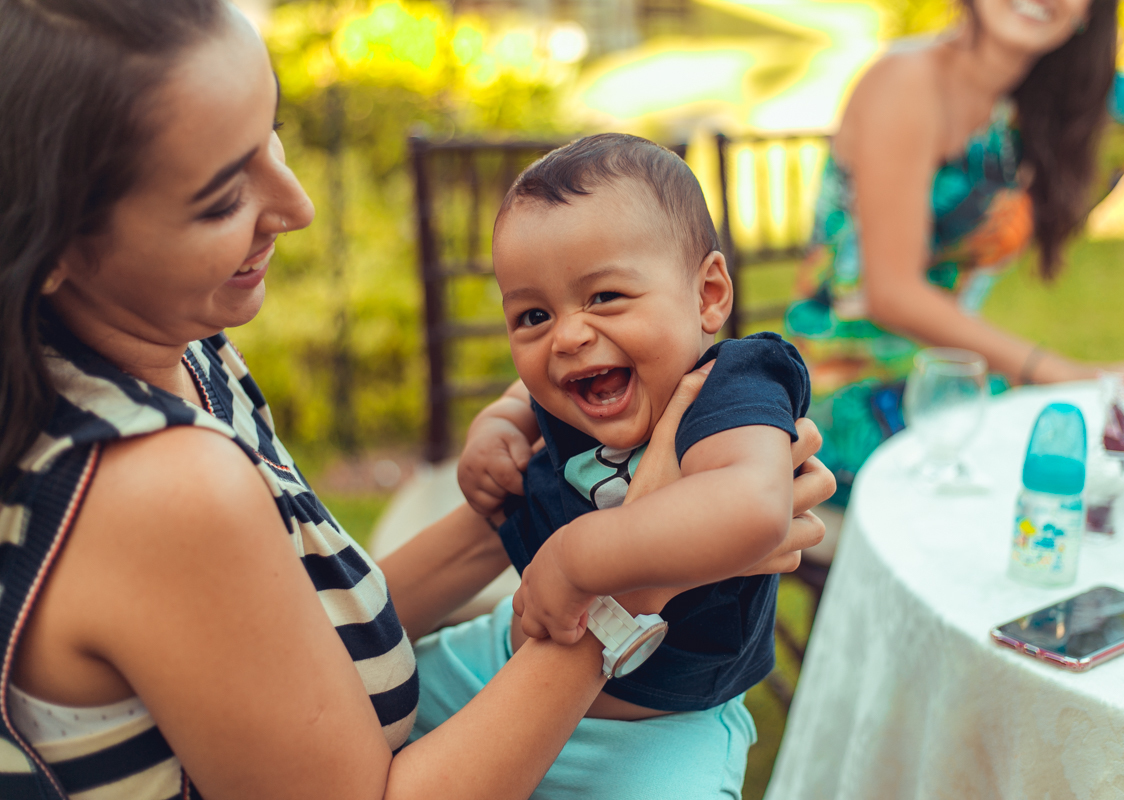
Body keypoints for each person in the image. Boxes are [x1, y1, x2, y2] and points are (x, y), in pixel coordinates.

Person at [0, 3, 834, 799]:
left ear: (709, 293)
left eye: (272, 137)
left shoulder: (175, 351)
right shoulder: (156, 483)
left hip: (660, 720)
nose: (297, 207)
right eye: (222, 198)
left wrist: (511, 492)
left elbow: (298, 642)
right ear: (50, 243)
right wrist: (622, 585)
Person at [417, 133, 826, 798]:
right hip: (503, 665)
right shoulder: (578, 383)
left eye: (605, 297)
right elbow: (526, 393)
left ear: (708, 294)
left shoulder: (733, 386)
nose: (567, 336)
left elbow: (753, 507)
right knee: (359, 703)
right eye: (533, 315)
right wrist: (501, 421)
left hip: (664, 733)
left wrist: (580, 557)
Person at [784, 0, 1124, 512]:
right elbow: (891, 294)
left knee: (1118, 467)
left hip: (954, 383)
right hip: (843, 395)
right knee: (1044, 491)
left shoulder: (1052, 98)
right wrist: (1069, 372)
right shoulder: (907, 81)